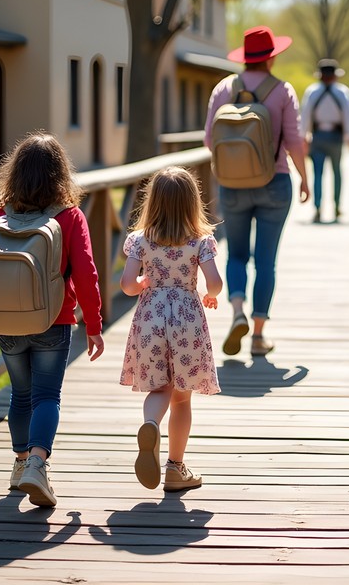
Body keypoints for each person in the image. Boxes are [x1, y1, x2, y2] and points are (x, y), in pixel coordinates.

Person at [0, 131, 105, 508]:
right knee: (46, 396)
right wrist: (93, 326)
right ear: (61, 174)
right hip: (53, 321)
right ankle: (37, 466)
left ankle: (20, 463)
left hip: (6, 323)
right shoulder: (70, 217)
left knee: (20, 395)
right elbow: (86, 275)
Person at [204, 25, 310, 357]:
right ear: (271, 58)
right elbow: (294, 141)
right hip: (274, 183)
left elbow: (208, 139)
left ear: (245, 57)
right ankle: (259, 335)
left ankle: (237, 312)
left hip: (232, 185)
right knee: (266, 261)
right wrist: (305, 178)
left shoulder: (224, 88)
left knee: (236, 254)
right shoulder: (282, 90)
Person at [120, 166, 223, 492]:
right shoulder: (200, 241)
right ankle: (176, 468)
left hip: (151, 319)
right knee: (181, 399)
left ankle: (151, 424)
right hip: (187, 322)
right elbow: (215, 283)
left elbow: (127, 284)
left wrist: (143, 282)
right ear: (192, 202)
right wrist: (210, 295)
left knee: (160, 389)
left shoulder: (140, 240)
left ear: (153, 201)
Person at [300, 59, 349, 223]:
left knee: (318, 173)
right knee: (336, 172)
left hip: (318, 136)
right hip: (335, 137)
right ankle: (337, 207)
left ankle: (318, 208)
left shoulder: (312, 91)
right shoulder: (342, 92)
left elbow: (305, 116)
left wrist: (304, 137)